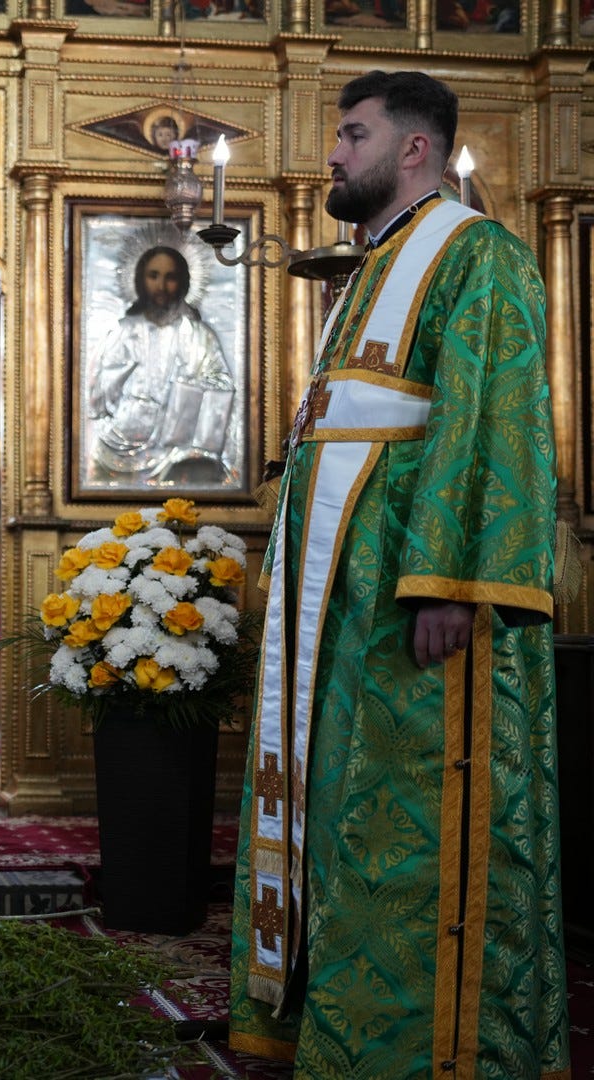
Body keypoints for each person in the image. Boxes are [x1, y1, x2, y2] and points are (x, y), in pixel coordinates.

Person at [229, 71, 567, 1077]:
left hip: (413, 600)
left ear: (414, 149)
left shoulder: (477, 252)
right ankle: (327, 1023)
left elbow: (493, 417)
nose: (332, 155)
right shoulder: (373, 264)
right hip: (341, 602)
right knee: (339, 804)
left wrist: (451, 582)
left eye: (352, 135)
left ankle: (420, 1049)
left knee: (408, 816)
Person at [87, 244, 235, 483]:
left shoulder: (199, 336)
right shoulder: (122, 333)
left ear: (183, 282)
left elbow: (222, 383)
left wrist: (184, 390)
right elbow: (98, 396)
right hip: (120, 444)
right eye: (153, 276)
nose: (161, 286)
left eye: (170, 277)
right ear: (140, 280)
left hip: (177, 448)